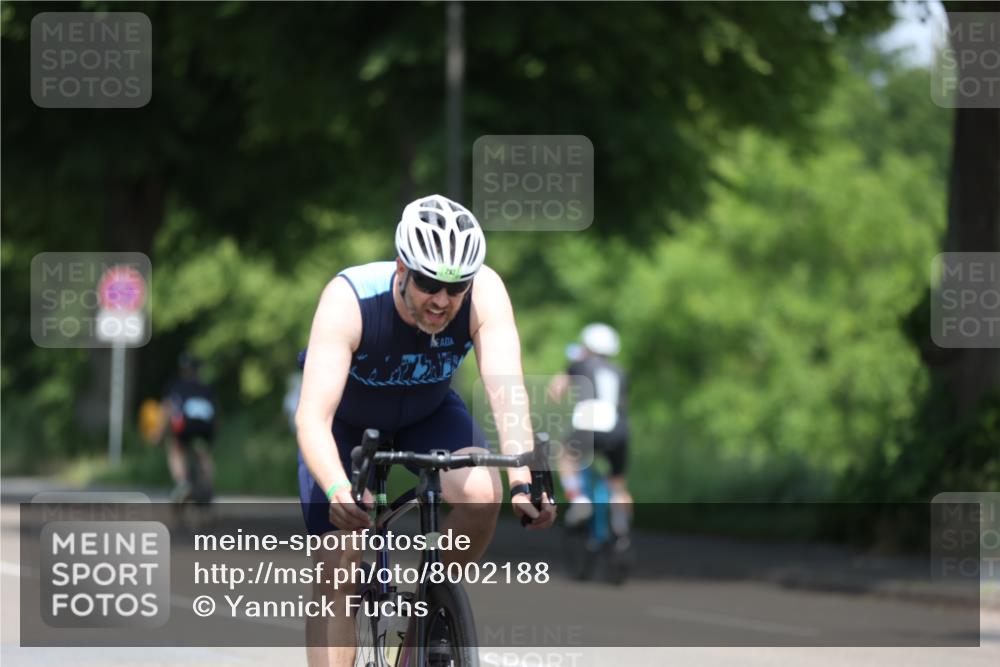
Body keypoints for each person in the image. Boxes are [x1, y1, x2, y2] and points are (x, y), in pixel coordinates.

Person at [295, 194, 557, 667]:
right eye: (428, 283)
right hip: (346, 425)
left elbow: (506, 390)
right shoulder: (349, 300)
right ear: (401, 268)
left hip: (426, 411)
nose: (442, 300)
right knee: (341, 560)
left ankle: (423, 625)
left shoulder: (486, 292)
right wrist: (337, 487)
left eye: (455, 289)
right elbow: (312, 415)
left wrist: (524, 479)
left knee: (481, 494)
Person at [547, 323, 632, 540]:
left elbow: (556, 389)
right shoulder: (620, 372)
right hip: (618, 430)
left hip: (588, 426)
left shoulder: (579, 364)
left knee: (565, 456)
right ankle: (620, 519)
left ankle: (579, 501)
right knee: (618, 481)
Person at [162, 353, 217, 502]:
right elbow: (215, 413)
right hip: (206, 427)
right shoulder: (206, 388)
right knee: (203, 451)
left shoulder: (175, 386)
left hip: (186, 425)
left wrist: (159, 432)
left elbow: (168, 410)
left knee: (175, 447)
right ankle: (208, 484)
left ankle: (182, 483)